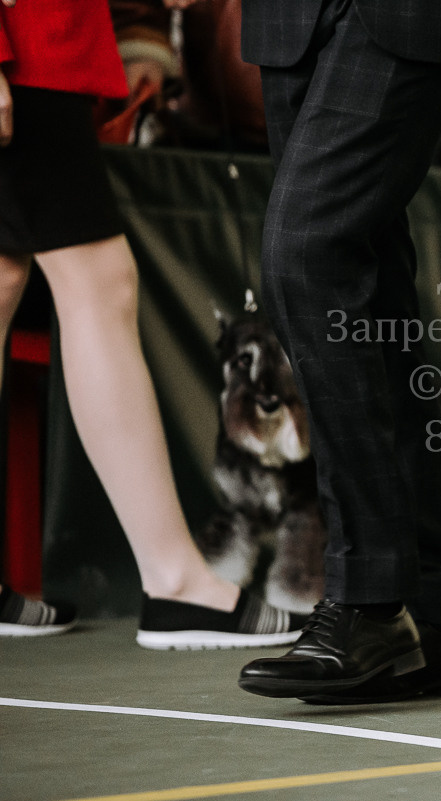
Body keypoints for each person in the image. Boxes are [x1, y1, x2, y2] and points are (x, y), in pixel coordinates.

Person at [234, 0, 441, 703]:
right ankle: (435, 607)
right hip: (288, 16)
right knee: (365, 283)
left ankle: (370, 599)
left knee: (309, 254)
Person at [0, 0, 304, 647]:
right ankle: (175, 580)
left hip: (40, 42)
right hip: (28, 47)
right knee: (99, 283)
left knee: (3, 280)